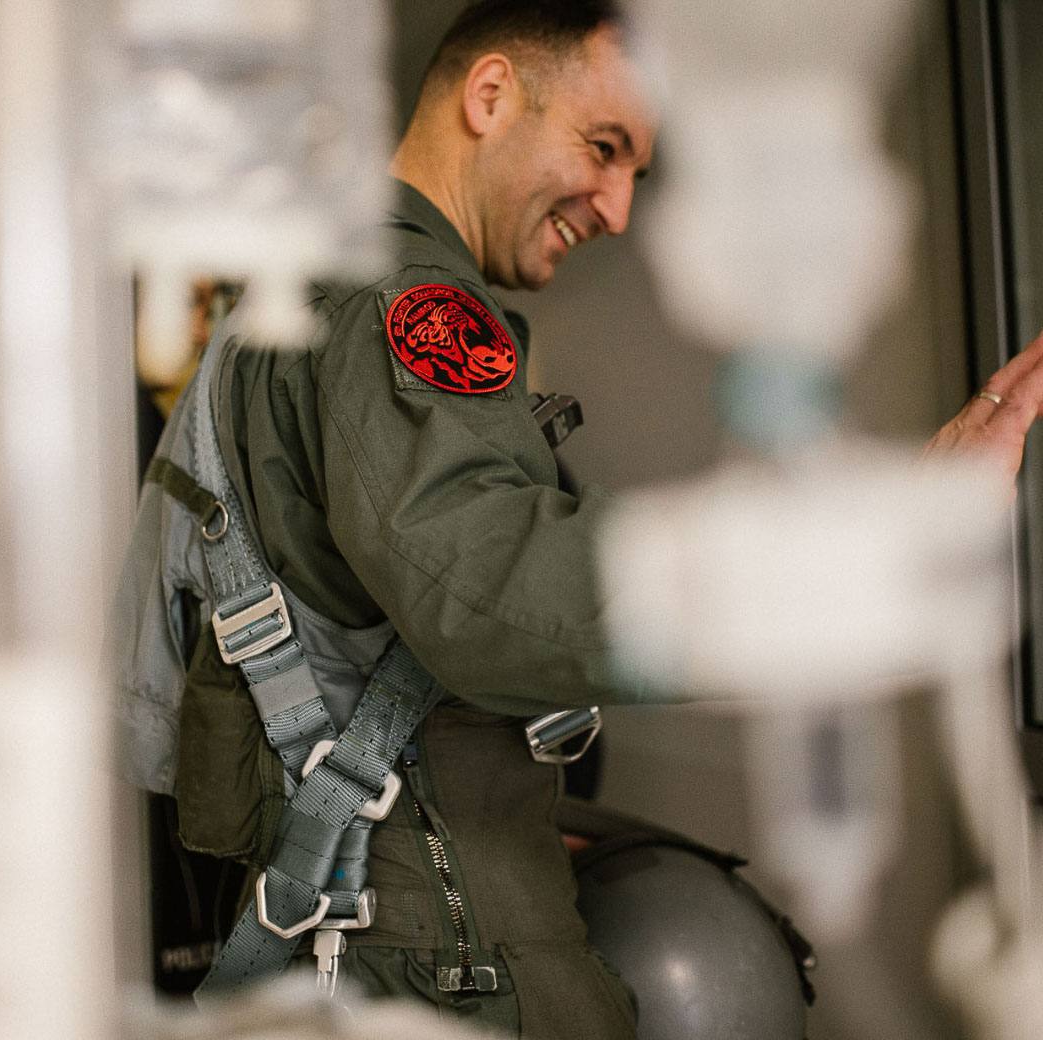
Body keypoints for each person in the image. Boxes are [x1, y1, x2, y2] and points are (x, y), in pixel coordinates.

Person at [163, 1, 1043, 1037]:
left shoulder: (329, 282)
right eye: (603, 146)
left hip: (400, 923)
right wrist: (848, 562)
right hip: (444, 952)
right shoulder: (400, 300)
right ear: (491, 96)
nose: (619, 208)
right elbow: (482, 587)